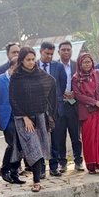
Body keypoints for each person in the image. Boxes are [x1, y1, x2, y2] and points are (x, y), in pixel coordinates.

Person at [9, 47, 56, 193]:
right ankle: (36, 181)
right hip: (23, 119)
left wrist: (50, 114)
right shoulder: (16, 78)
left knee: (40, 148)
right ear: (22, 61)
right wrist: (24, 117)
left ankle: (37, 177)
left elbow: (52, 85)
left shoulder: (41, 75)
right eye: (27, 60)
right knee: (33, 146)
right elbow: (13, 99)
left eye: (32, 59)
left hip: (40, 116)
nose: (31, 62)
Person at [72, 53, 99, 174]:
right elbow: (78, 95)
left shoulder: (98, 73)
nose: (87, 64)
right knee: (90, 139)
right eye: (84, 62)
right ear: (80, 64)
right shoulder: (76, 78)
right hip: (88, 113)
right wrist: (95, 102)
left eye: (89, 62)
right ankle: (92, 166)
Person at [0, 52, 25, 185]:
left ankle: (14, 173)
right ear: (11, 66)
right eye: (18, 66)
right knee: (12, 144)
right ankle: (4, 169)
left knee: (20, 145)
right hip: (6, 118)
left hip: (20, 117)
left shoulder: (21, 79)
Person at [38, 42, 67, 178]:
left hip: (56, 109)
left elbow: (62, 85)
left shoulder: (58, 67)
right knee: (41, 140)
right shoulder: (34, 66)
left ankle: (54, 167)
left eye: (51, 54)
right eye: (46, 53)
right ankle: (41, 168)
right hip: (38, 110)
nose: (49, 56)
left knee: (56, 139)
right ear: (40, 52)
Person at [55, 40, 84, 172]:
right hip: (60, 106)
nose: (66, 52)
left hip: (73, 106)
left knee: (75, 135)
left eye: (68, 50)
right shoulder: (54, 66)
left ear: (72, 51)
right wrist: (60, 95)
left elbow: (82, 84)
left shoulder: (77, 66)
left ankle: (78, 161)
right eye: (63, 50)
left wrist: (75, 94)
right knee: (60, 136)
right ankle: (62, 162)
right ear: (59, 52)